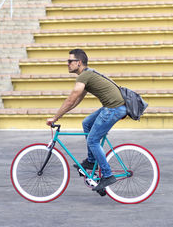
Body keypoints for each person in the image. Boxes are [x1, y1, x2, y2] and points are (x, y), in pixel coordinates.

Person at [46, 49, 126, 192]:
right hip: (112, 107)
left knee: (92, 141)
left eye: (70, 61)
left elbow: (71, 99)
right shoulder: (87, 75)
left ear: (79, 62)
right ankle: (91, 161)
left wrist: (55, 117)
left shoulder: (84, 76)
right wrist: (61, 115)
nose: (67, 64)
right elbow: (76, 100)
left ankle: (107, 175)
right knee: (87, 123)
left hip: (114, 109)